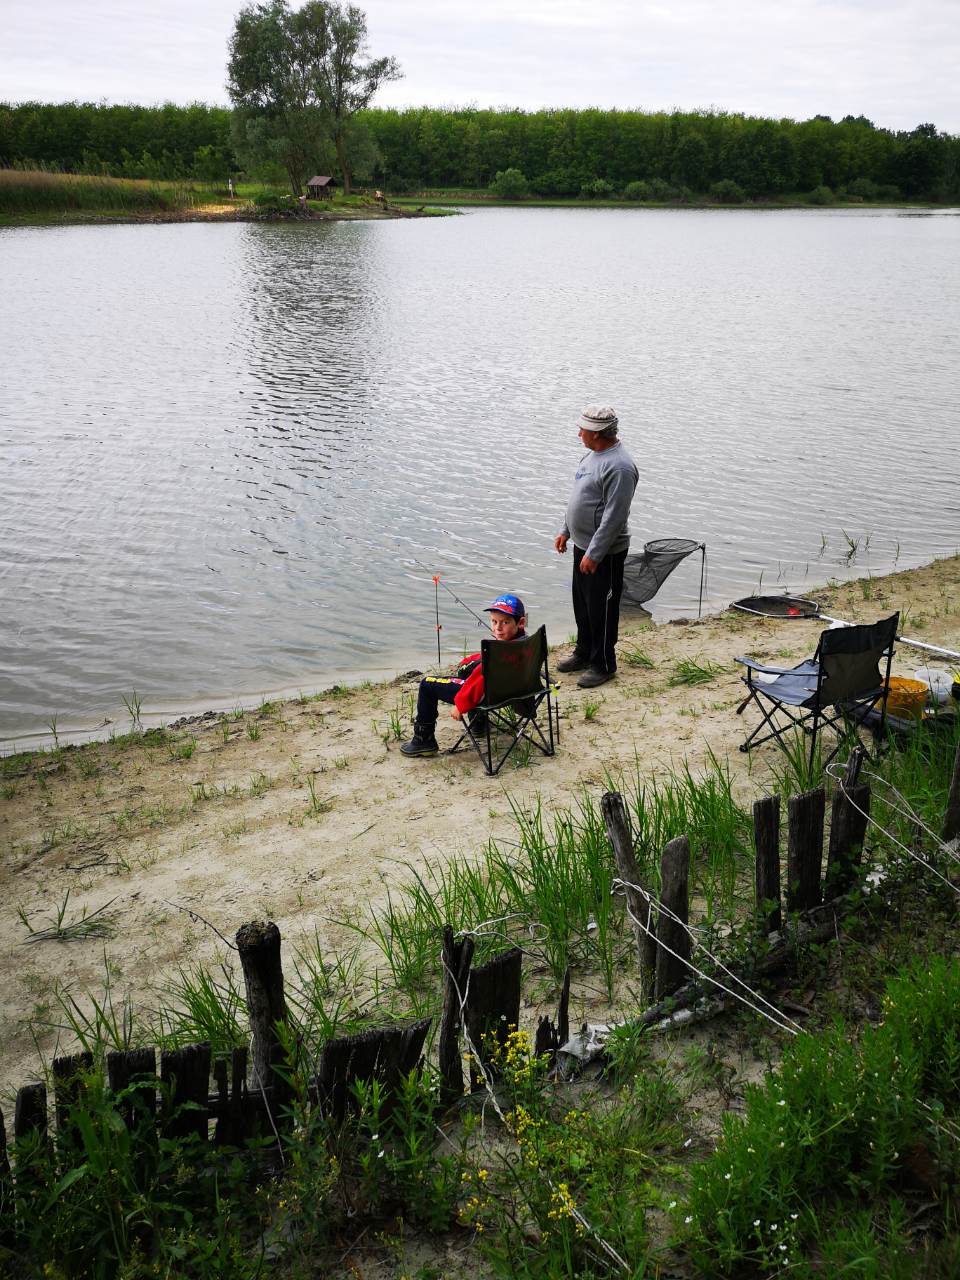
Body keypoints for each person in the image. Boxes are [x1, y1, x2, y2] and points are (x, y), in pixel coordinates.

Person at [554, 405, 638, 687]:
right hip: (583, 546)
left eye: (583, 430)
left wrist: (595, 553)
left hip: (605, 554)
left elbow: (615, 517)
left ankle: (603, 664)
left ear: (598, 433)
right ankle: (583, 652)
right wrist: (566, 530)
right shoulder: (590, 456)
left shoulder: (620, 467)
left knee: (602, 609)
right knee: (583, 604)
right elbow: (578, 498)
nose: (579, 434)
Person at [400, 594, 526, 757]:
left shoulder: (497, 655)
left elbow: (478, 683)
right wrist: (468, 662)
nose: (498, 628)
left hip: (488, 696)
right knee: (467, 669)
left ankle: (423, 740)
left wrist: (461, 705)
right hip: (512, 692)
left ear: (520, 622)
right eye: (494, 621)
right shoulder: (526, 644)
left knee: (427, 683)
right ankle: (478, 725)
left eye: (505, 622)